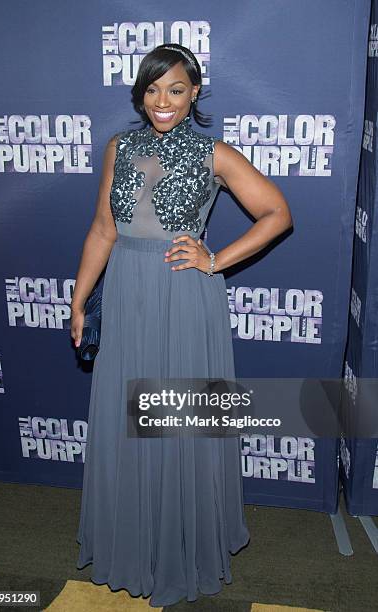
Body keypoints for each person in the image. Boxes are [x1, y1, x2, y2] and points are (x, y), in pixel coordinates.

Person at [71, 43, 292, 608]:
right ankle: (135, 542)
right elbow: (103, 229)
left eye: (175, 89)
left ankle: (182, 548)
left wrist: (215, 260)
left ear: (195, 93)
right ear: (139, 94)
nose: (162, 101)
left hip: (183, 298)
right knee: (129, 417)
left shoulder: (213, 152)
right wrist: (78, 300)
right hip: (127, 296)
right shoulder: (119, 148)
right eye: (151, 89)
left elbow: (277, 213)